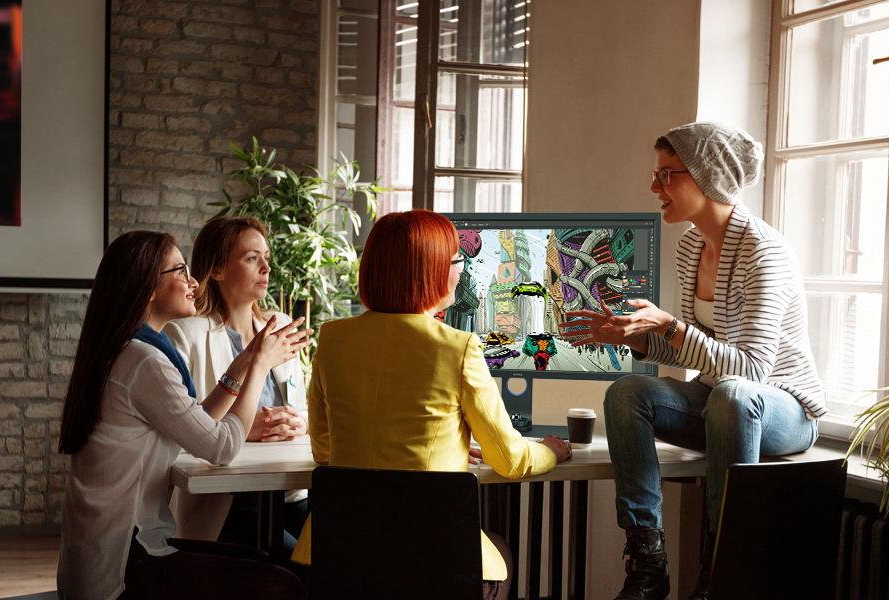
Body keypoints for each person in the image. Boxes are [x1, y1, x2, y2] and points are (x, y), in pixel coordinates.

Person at [559, 122, 825, 600]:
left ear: (708, 177)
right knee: (627, 392)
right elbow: (694, 348)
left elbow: (751, 370)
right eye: (655, 174)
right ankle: (647, 560)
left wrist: (669, 326)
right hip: (720, 399)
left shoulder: (764, 252)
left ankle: (717, 572)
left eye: (666, 174)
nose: (654, 187)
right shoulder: (691, 248)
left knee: (733, 393)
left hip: (781, 410)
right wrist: (636, 338)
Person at [290, 210, 574, 600]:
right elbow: (511, 461)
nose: (462, 270)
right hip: (432, 563)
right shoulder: (458, 348)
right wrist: (550, 451)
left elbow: (325, 452)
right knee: (500, 551)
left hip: (340, 560)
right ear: (432, 271)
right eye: (458, 260)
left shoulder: (333, 339)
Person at [56, 230, 311, 600]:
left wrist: (242, 362)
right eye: (179, 272)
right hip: (127, 567)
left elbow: (193, 424)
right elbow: (221, 446)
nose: (194, 281)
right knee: (282, 585)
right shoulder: (145, 362)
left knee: (266, 562)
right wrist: (259, 365)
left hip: (104, 554)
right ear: (147, 289)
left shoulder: (126, 350)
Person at [164, 216, 309, 553]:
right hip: (226, 499)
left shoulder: (281, 326)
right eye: (251, 258)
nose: (266, 269)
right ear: (216, 269)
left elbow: (304, 410)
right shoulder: (187, 334)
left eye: (267, 258)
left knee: (343, 556)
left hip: (286, 489)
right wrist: (245, 429)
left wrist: (297, 423)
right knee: (295, 563)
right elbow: (179, 433)